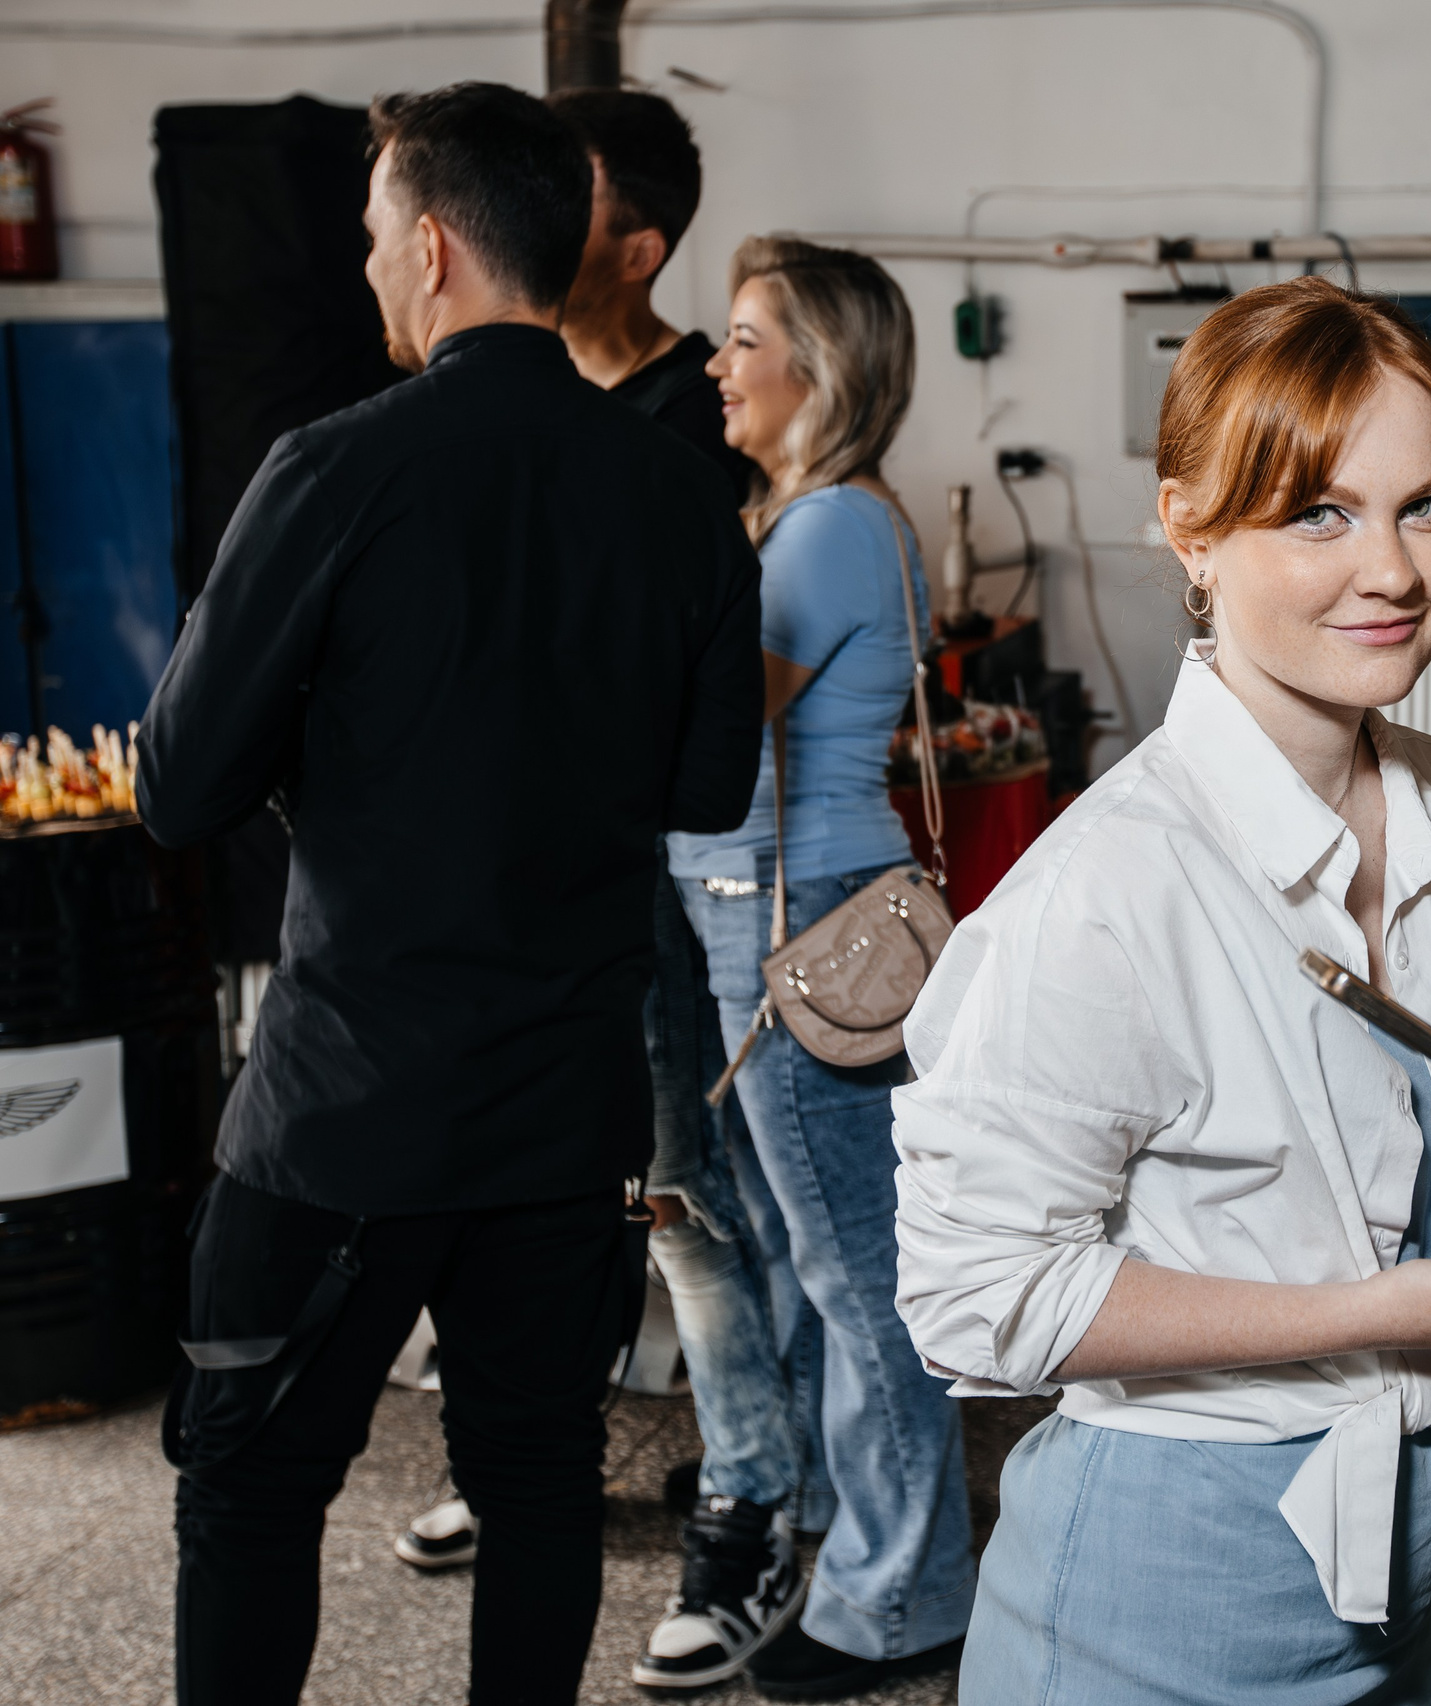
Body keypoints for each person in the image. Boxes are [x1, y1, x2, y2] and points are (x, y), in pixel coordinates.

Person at [140, 80, 762, 1706]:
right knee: (540, 1483)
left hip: (348, 1104)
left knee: (251, 1486)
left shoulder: (335, 469)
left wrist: (332, 760)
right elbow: (706, 790)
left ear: (428, 246)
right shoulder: (684, 491)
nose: (362, 273)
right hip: (564, 1105)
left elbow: (174, 785)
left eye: (367, 240)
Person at [891, 276, 1431, 1706]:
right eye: (1319, 512)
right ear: (1189, 527)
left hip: (1414, 1572)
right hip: (1157, 1588)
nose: (1393, 570)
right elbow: (972, 1298)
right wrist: (1373, 1308)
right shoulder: (1108, 890)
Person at [383, 87, 835, 1696]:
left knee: (690, 1212)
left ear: (631, 246)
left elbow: (669, 706)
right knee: (533, 1195)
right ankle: (531, 1460)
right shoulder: (485, 409)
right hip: (496, 889)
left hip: (649, 895)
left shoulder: (681, 432)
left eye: (555, 198)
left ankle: (756, 1507)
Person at [665, 235, 975, 1702]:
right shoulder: (801, 520)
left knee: (862, 1278)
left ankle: (901, 1595)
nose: (717, 366)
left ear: (821, 369)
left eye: (742, 340)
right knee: (803, 1256)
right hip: (774, 909)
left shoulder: (832, 528)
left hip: (802, 925)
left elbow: (709, 722)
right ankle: (830, 1528)